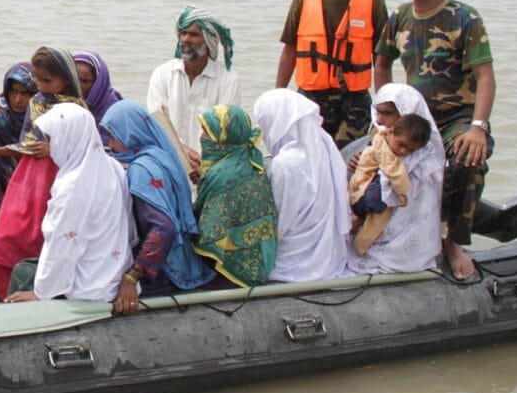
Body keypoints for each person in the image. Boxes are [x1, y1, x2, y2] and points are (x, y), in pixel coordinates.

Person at [374, 0, 495, 280]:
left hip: (456, 118)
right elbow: (382, 62)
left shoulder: (464, 18)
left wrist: (478, 127)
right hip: (415, 116)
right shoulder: (399, 17)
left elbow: (485, 77)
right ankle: (385, 237)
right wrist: (383, 114)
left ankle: (455, 241)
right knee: (371, 157)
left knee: (468, 160)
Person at [0, 46, 86, 299]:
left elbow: (83, 149)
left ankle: (41, 293)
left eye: (48, 81)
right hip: (28, 175)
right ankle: (6, 295)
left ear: (66, 79)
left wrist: (55, 148)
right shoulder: (36, 102)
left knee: (44, 236)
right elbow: (29, 142)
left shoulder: (77, 109)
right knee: (5, 239)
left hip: (58, 176)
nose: (42, 86)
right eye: (39, 80)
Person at [3, 104, 132, 303]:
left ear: (67, 139)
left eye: (53, 139)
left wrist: (41, 293)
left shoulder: (72, 186)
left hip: (89, 286)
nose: (51, 146)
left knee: (24, 272)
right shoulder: (111, 165)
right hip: (114, 271)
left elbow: (63, 242)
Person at [100, 101, 216, 314]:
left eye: (115, 137)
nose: (112, 145)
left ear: (130, 134)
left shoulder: (141, 169)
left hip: (164, 269)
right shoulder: (161, 154)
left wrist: (131, 277)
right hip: (183, 256)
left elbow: (164, 228)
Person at [276, 0, 389, 150]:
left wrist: (385, 110)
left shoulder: (374, 3)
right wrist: (279, 95)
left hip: (354, 101)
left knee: (346, 160)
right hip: (310, 98)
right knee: (309, 158)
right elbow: (290, 49)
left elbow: (382, 61)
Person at [252, 89, 351, 282]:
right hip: (327, 253)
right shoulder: (323, 144)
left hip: (294, 259)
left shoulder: (286, 163)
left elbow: (280, 217)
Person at [346, 84, 445, 275]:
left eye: (387, 113)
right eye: (378, 112)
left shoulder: (425, 155)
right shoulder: (383, 138)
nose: (380, 119)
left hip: (404, 231)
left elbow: (400, 189)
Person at [145, 6, 241, 169]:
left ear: (209, 41)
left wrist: (203, 164)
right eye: (183, 33)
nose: (185, 39)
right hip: (169, 161)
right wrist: (182, 154)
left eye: (194, 34)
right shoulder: (162, 74)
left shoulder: (228, 80)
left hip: (211, 168)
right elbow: (157, 123)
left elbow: (225, 131)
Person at [192, 105, 278, 287]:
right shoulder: (248, 157)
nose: (202, 139)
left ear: (223, 139)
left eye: (207, 133)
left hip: (234, 264)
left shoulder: (224, 176)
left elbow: (209, 232)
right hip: (260, 254)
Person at [349, 113, 433, 255]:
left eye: (410, 150)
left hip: (362, 190)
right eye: (401, 145)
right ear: (391, 132)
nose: (403, 151)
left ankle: (359, 236)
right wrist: (402, 193)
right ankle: (360, 246)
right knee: (376, 221)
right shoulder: (383, 148)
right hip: (365, 193)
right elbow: (395, 172)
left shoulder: (383, 140)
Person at [0, 62, 38, 237]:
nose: (18, 99)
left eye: (26, 93)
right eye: (13, 92)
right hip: (1, 185)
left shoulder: (44, 117)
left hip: (35, 187)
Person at [73, 51, 123, 134]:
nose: (78, 85)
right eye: (74, 79)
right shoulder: (59, 105)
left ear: (98, 83)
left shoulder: (115, 112)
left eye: (84, 81)